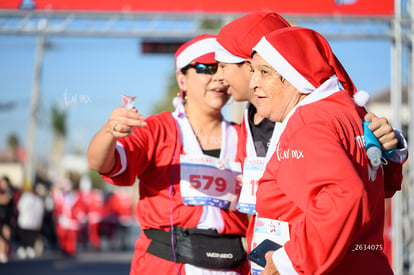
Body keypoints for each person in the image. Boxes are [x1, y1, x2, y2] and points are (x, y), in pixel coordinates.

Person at [214, 12, 408, 272]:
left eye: (260, 70)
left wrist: (290, 262)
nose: (253, 82)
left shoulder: (309, 119)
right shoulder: (338, 110)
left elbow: (345, 194)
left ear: (290, 70)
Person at [87, 34, 249, 275]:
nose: (219, 78)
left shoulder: (246, 137)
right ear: (181, 79)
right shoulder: (157, 129)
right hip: (166, 264)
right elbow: (102, 163)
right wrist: (109, 132)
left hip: (233, 265)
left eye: (224, 69)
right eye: (207, 68)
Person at [16, 182, 45, 259]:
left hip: (25, 221)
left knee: (24, 236)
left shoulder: (25, 197)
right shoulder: (38, 199)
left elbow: (19, 207)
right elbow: (40, 212)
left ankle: (24, 249)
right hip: (33, 222)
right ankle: (29, 249)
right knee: (30, 237)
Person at [0, 176, 14, 263]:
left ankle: (4, 253)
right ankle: (2, 253)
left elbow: (5, 200)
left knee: (5, 237)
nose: (2, 184)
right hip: (1, 218)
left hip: (6, 219)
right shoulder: (2, 192)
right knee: (1, 237)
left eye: (3, 182)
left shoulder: (9, 191)